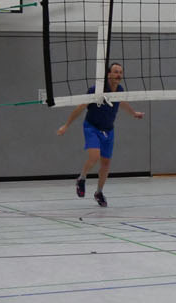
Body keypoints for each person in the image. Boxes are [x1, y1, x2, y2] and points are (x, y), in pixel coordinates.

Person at [56, 62, 143, 208]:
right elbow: (80, 107)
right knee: (94, 156)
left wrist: (134, 113)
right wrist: (66, 125)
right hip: (92, 127)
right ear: (108, 74)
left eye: (120, 72)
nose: (118, 75)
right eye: (115, 72)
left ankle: (99, 192)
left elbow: (121, 102)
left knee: (106, 163)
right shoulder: (96, 90)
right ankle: (81, 178)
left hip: (108, 130)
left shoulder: (119, 90)